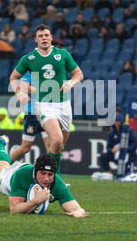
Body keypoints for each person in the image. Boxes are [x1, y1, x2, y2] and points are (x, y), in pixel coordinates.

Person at [9, 24, 83, 175]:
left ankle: (47, 177)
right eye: (40, 36)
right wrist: (19, 93)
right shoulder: (29, 59)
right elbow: (14, 78)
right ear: (35, 40)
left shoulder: (63, 54)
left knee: (59, 146)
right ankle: (51, 178)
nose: (44, 38)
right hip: (44, 105)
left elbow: (78, 74)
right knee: (55, 141)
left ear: (51, 38)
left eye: (46, 35)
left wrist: (71, 82)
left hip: (64, 105)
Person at [0, 135, 88, 217]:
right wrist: (36, 201)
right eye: (43, 173)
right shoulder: (21, 176)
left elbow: (76, 207)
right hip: (13, 175)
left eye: (50, 174)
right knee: (1, 170)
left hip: (28, 173)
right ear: (36, 171)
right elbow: (14, 209)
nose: (46, 178)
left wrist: (78, 212)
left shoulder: (56, 182)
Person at [9, 71, 50, 163]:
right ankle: (4, 166)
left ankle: (53, 175)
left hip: (47, 114)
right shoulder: (29, 69)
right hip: (32, 115)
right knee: (25, 148)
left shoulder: (49, 68)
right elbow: (24, 88)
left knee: (51, 148)